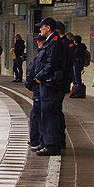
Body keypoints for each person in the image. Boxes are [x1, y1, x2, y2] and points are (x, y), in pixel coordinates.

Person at [32, 17, 65, 156]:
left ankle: (51, 145)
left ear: (48, 28)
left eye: (42, 27)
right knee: (47, 114)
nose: (40, 29)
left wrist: (40, 76)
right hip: (49, 83)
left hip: (51, 84)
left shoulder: (54, 43)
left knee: (49, 114)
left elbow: (51, 63)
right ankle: (48, 142)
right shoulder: (52, 42)